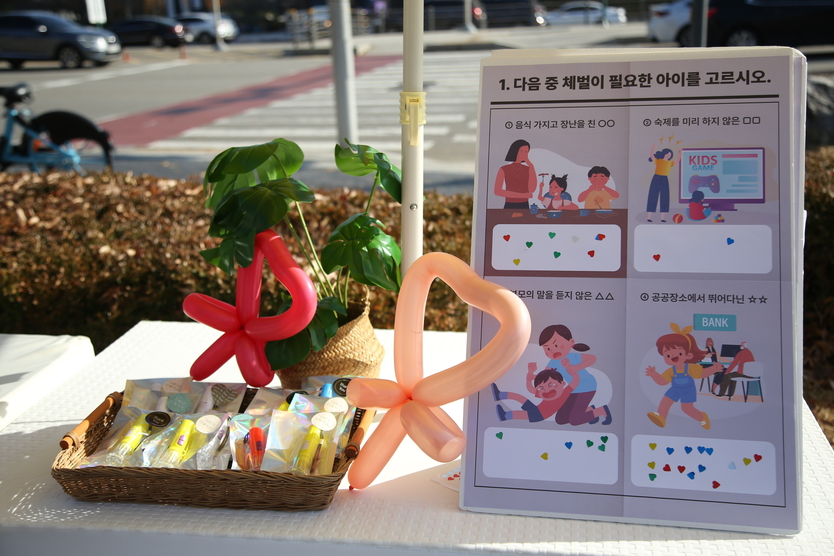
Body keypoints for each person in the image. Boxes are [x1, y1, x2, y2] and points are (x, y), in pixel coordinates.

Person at [534, 324, 611, 426]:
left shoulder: (574, 357)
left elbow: (592, 358)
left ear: (571, 342)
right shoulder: (553, 362)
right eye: (547, 349)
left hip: (587, 386)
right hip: (573, 389)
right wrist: (532, 376)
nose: (552, 350)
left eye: (556, 345)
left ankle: (601, 411)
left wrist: (576, 367)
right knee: (561, 419)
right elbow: (544, 375)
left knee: (575, 420)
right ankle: (589, 410)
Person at [645, 323, 719, 429]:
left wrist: (713, 369)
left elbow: (702, 374)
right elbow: (662, 381)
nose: (672, 356)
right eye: (668, 355)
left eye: (679, 354)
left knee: (687, 409)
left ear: (688, 355)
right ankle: (661, 418)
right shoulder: (671, 370)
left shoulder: (690, 367)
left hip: (688, 390)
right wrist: (653, 374)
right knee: (665, 402)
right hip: (674, 389)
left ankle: (702, 417)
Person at [491, 367, 578, 422]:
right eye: (541, 387)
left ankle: (505, 416)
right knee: (520, 398)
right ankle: (500, 395)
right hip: (537, 409)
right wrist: (529, 378)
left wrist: (572, 372)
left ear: (563, 383)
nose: (546, 389)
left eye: (551, 385)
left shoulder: (565, 392)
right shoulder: (544, 393)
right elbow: (531, 389)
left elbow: (576, 381)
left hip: (540, 415)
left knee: (520, 414)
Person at [494, 139, 537, 209]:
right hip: (509, 204)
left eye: (526, 152)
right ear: (515, 151)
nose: (523, 154)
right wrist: (522, 196)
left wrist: (531, 165)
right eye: (521, 151)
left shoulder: (528, 169)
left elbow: (531, 189)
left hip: (524, 205)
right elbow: (497, 191)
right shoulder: (503, 169)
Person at [646, 144, 678, 222]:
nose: (669, 155)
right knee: (653, 196)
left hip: (664, 178)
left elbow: (677, 160)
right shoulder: (658, 161)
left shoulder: (670, 163)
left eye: (670, 155)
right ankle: (649, 217)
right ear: (664, 153)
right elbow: (652, 156)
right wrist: (653, 147)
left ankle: (662, 218)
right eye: (668, 154)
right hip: (656, 178)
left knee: (665, 197)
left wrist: (681, 153)